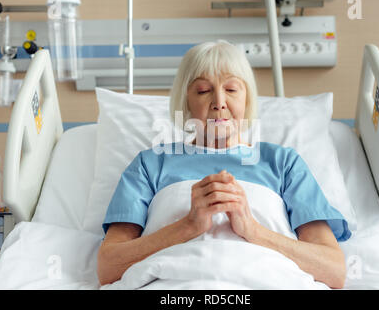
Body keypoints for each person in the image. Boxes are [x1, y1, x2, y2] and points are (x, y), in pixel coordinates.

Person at [97, 40, 350, 288]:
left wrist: (252, 230)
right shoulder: (151, 164)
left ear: (246, 98)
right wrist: (187, 226)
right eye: (204, 91)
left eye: (231, 89)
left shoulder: (283, 164)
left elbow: (333, 270)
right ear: (186, 101)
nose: (219, 101)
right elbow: (108, 267)